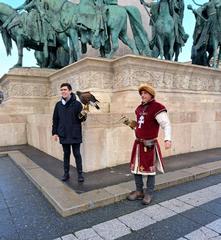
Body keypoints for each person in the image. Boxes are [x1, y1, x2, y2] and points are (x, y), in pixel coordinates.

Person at [126, 84, 172, 205]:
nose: (142, 95)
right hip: (138, 143)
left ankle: (149, 192)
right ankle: (139, 191)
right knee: (136, 168)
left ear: (151, 94)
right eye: (141, 93)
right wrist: (130, 123)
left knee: (150, 169)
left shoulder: (157, 107)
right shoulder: (139, 108)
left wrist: (167, 139)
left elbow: (166, 124)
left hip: (149, 144)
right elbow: (139, 125)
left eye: (145, 93)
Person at [52, 83, 87, 182]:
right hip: (63, 134)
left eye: (65, 89)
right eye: (62, 90)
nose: (63, 91)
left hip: (75, 133)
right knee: (66, 154)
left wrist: (84, 115)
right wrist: (54, 133)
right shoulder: (58, 105)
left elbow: (82, 119)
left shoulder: (77, 104)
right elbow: (55, 119)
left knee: (77, 154)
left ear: (70, 91)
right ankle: (66, 173)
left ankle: (80, 174)